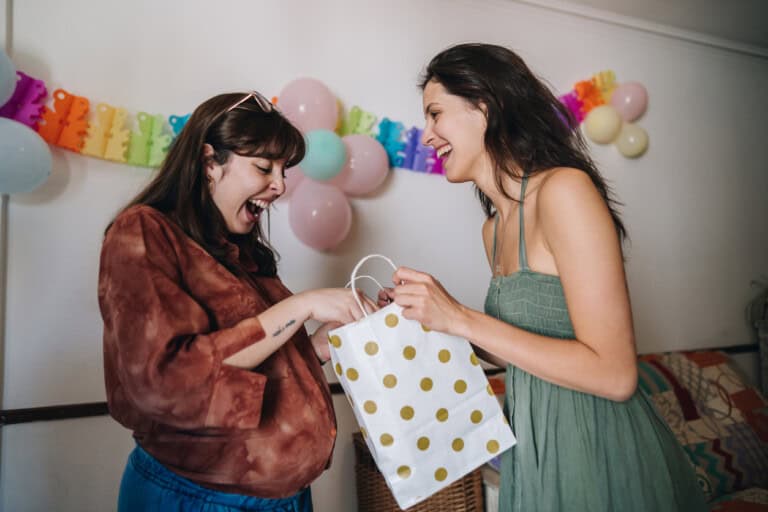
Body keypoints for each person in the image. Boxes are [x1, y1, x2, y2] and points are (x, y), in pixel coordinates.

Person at [378, 43, 707, 511]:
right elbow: (523, 351)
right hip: (533, 446)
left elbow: (616, 375)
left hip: (597, 444)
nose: (427, 135)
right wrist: (434, 321)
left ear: (485, 108)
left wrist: (464, 319)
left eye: (435, 114)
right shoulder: (493, 229)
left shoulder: (564, 191)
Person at [98, 91, 376, 512]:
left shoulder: (237, 249)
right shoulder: (142, 232)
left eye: (284, 170)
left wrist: (322, 342)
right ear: (210, 161)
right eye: (264, 167)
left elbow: (251, 359)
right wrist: (301, 305)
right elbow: (166, 379)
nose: (280, 186)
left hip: (280, 499)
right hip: (200, 499)